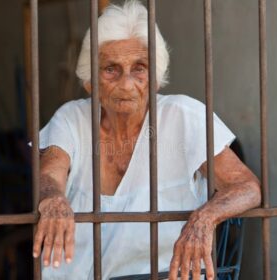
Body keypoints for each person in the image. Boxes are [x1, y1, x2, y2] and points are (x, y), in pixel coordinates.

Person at [32, 1, 261, 279]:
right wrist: (53, 199)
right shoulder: (72, 119)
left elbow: (247, 186)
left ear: (155, 80)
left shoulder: (182, 116)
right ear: (90, 82)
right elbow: (50, 174)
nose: (126, 83)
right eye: (111, 69)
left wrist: (204, 219)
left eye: (139, 68)